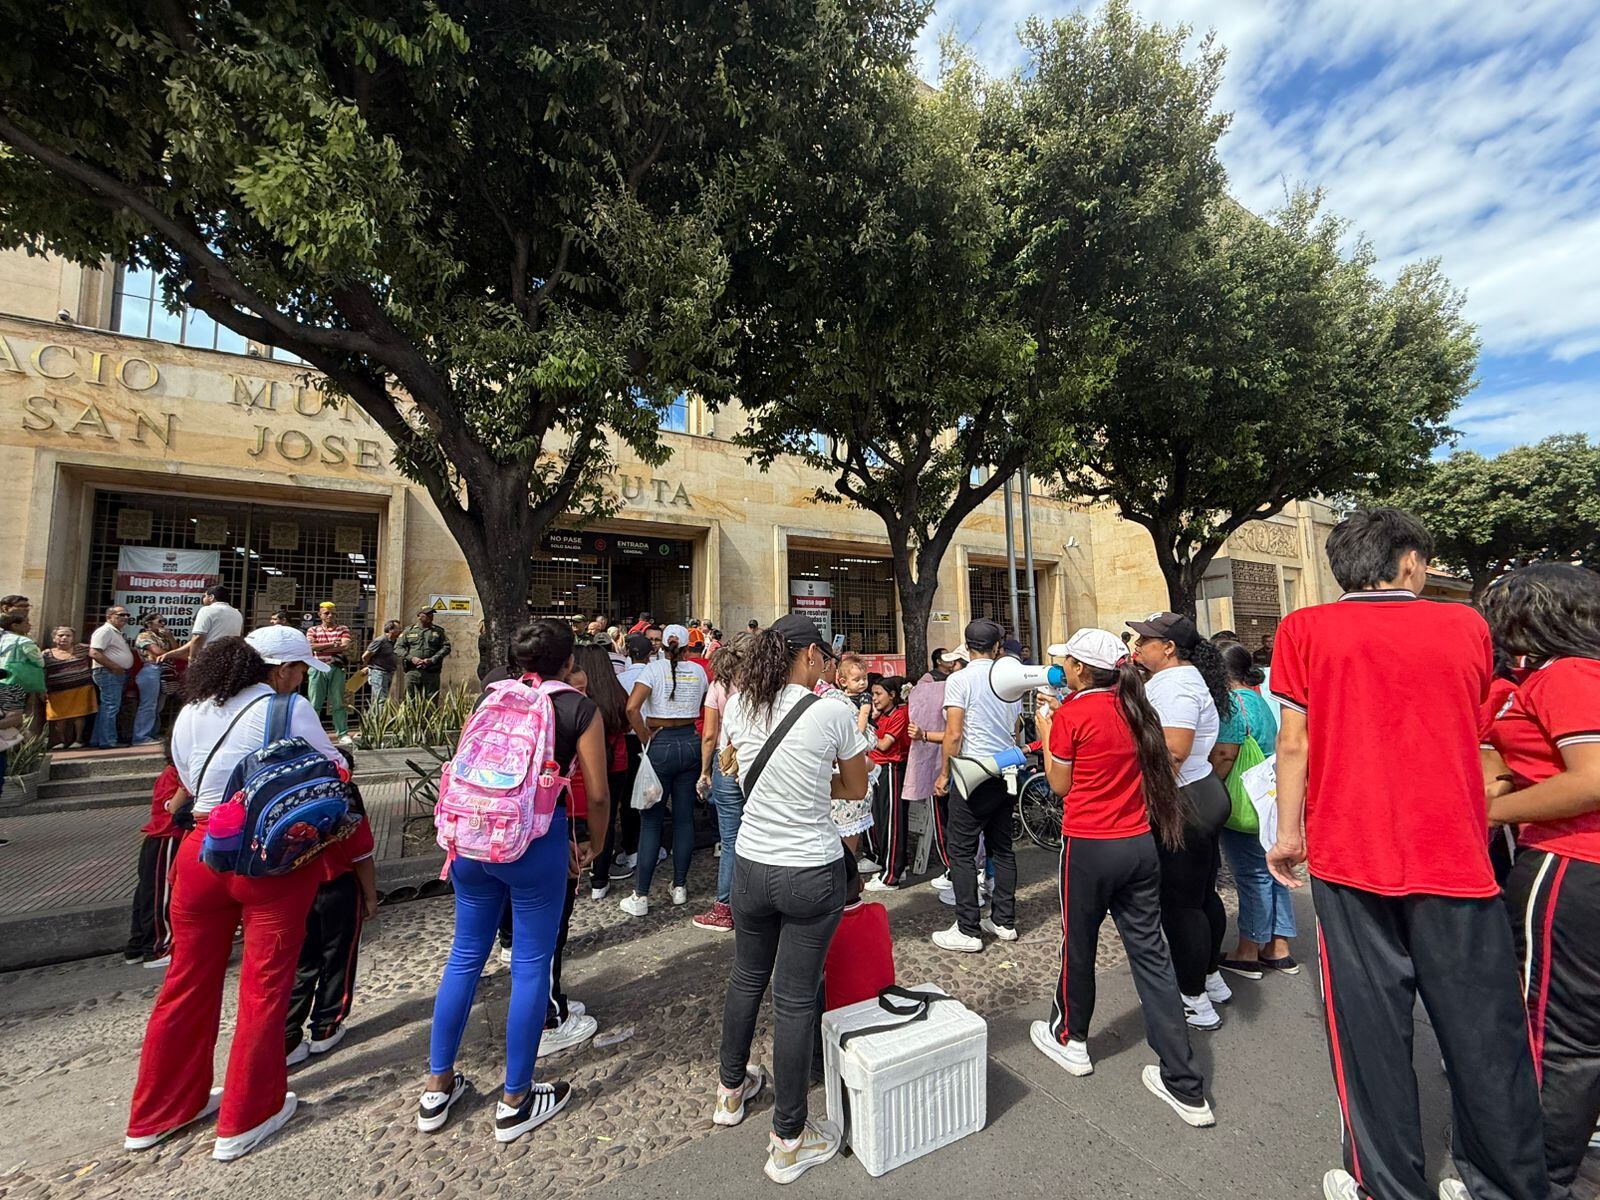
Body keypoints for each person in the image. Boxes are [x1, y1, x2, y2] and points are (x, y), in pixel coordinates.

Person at [1266, 507, 1547, 1200]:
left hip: (1347, 849)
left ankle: (1389, 1184)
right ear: (1411, 561)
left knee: (1370, 1032)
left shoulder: (1304, 629)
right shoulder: (1465, 626)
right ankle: (1507, 1184)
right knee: (1483, 1033)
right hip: (1453, 849)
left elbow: (1294, 742)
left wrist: (1288, 831)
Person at [125, 627, 344, 1162]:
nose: (298, 681)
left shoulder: (191, 712)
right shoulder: (286, 709)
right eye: (297, 671)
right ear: (280, 669)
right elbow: (334, 769)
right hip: (265, 855)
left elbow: (187, 781)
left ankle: (158, 1111)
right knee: (266, 985)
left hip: (200, 849)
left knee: (185, 981)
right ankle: (249, 1113)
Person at [418, 619, 609, 1144]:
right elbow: (595, 792)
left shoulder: (492, 694)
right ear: (570, 662)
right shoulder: (577, 707)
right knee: (530, 965)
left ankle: (437, 1087)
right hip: (535, 843)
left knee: (464, 958)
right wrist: (592, 843)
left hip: (470, 839)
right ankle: (516, 1098)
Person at [1030, 628, 1214, 1126]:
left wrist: (1047, 733)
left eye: (1068, 662)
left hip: (1090, 845)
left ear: (1082, 671)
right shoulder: (1139, 707)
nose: (1063, 668)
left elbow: (1060, 784)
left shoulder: (1074, 713)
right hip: (1138, 845)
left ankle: (1072, 1038)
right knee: (1152, 957)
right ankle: (1184, 1080)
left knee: (1079, 943)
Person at [715, 614, 867, 1184]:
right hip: (809, 869)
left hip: (750, 868)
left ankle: (730, 1092)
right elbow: (854, 786)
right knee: (797, 998)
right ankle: (789, 1137)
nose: (827, 666)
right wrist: (813, 782)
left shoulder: (738, 705)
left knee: (746, 977)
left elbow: (738, 768)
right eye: (825, 657)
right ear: (806, 657)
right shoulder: (832, 711)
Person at [1480, 564, 1600, 1200]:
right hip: (1576, 861)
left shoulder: (1569, 676)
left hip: (1569, 862)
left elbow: (1590, 777)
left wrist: (1487, 809)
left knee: (1551, 1028)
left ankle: (1532, 1178)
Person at [1126, 611, 1234, 1030]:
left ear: (1168, 648)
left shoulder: (1174, 685)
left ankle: (1194, 999)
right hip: (1203, 791)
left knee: (1181, 905)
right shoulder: (1185, 679)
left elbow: (1173, 752)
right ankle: (1210, 976)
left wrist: (1144, 799)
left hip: (1184, 800)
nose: (1137, 647)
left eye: (1145, 640)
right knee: (1203, 895)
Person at [933, 620, 1021, 952]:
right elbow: (1014, 728)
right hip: (1005, 769)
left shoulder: (959, 679)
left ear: (967, 646)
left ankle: (968, 928)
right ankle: (1004, 920)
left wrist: (944, 774)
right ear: (997, 646)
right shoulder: (1008, 680)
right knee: (1002, 847)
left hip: (972, 772)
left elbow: (954, 734)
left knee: (962, 851)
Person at [1213, 642, 1294, 979]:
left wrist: (1210, 792)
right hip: (1267, 797)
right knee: (1273, 871)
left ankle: (1248, 950)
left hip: (1241, 800)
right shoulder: (1259, 700)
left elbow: (1224, 756)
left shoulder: (1232, 704)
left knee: (1252, 874)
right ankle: (1278, 947)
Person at [622, 623, 710, 915]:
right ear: (687, 646)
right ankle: (680, 886)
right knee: (685, 817)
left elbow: (632, 708)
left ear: (661, 645)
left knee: (651, 820)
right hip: (689, 742)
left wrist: (645, 737)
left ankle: (641, 894)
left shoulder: (653, 671)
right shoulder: (697, 671)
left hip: (660, 741)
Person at [694, 633, 755, 931]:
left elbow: (709, 734)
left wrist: (705, 771)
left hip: (727, 762)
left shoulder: (717, 686)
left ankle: (725, 907)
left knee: (730, 839)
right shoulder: (764, 684)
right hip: (759, 761)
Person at [571, 642, 631, 904]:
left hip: (582, 766)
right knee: (605, 820)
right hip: (616, 764)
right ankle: (600, 878)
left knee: (573, 821)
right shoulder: (616, 692)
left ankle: (573, 873)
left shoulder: (576, 699)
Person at [123, 740, 188, 968]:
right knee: (161, 896)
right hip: (166, 837)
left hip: (157, 838)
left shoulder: (170, 773)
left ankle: (137, 945)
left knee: (147, 894)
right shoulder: (178, 774)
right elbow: (173, 806)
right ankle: (158, 947)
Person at [906, 647, 956, 892]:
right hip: (953, 762)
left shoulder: (952, 686)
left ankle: (956, 872)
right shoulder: (929, 682)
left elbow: (953, 734)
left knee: (949, 820)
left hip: (948, 762)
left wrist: (924, 735)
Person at [863, 676, 912, 891]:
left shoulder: (899, 715)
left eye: (878, 694)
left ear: (892, 695)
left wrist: (866, 728)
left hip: (892, 769)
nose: (874, 699)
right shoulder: (883, 716)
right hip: (879, 770)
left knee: (892, 822)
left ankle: (892, 874)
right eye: (873, 694)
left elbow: (883, 745)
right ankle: (886, 864)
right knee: (881, 821)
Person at [88, 604, 135, 749]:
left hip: (114, 673)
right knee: (111, 707)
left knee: (107, 707)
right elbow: (94, 652)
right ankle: (108, 741)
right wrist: (115, 667)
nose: (125, 618)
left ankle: (97, 739)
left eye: (127, 615)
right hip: (108, 673)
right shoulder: (105, 631)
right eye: (121, 615)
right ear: (109, 617)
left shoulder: (115, 632)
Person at [43, 624, 96, 749]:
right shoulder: (46, 654)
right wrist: (42, 689)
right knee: (58, 717)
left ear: (73, 638)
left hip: (81, 688)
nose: (64, 638)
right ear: (54, 638)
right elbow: (41, 671)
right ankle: (61, 741)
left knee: (79, 715)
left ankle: (78, 739)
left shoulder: (82, 649)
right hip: (57, 691)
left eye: (68, 635)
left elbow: (98, 651)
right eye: (60, 635)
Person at [164, 585, 244, 664]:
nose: (203, 599)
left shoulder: (207, 610)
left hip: (210, 658)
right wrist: (173, 653)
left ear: (211, 597)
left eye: (205, 596)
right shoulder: (237, 613)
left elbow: (198, 637)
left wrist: (192, 659)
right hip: (230, 658)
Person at [131, 612, 175, 746]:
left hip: (165, 670)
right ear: (149, 624)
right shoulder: (144, 636)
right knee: (148, 704)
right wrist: (175, 654)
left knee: (158, 705)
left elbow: (176, 649)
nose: (163, 624)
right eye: (160, 621)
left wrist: (170, 637)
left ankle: (152, 733)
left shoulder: (163, 636)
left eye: (164, 621)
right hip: (151, 669)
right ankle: (141, 736)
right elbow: (156, 651)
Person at [397, 608, 452, 696]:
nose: (430, 616)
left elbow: (446, 647)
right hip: (413, 671)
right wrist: (412, 658)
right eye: (427, 614)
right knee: (411, 699)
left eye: (431, 614)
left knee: (431, 700)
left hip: (431, 671)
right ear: (419, 616)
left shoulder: (438, 631)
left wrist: (432, 659)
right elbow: (398, 648)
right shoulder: (408, 631)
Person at [362, 620, 403, 716]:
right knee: (381, 700)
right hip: (379, 673)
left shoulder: (395, 642)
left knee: (381, 699)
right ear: (390, 630)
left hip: (389, 672)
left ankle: (370, 722)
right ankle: (378, 724)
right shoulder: (380, 640)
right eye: (398, 629)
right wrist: (370, 667)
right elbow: (365, 656)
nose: (400, 630)